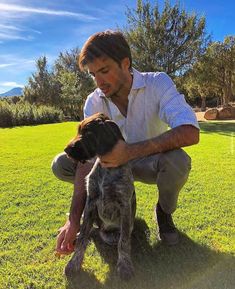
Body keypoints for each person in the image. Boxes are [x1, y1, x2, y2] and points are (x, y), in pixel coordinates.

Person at [52, 30, 200, 255]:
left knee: (178, 160)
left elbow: (190, 131)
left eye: (104, 70)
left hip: (148, 163)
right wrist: (74, 220)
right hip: (111, 169)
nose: (99, 81)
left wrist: (129, 152)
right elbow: (86, 161)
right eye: (93, 74)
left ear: (125, 63)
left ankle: (164, 212)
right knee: (62, 164)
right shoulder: (93, 101)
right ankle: (106, 209)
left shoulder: (157, 83)